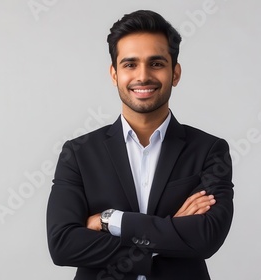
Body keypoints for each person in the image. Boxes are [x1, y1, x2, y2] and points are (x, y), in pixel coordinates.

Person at [46, 10, 234, 280]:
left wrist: (109, 220)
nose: (143, 76)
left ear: (175, 73)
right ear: (114, 74)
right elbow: (62, 245)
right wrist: (168, 236)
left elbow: (207, 237)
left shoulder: (209, 150)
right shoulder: (78, 153)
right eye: (130, 64)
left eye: (156, 63)